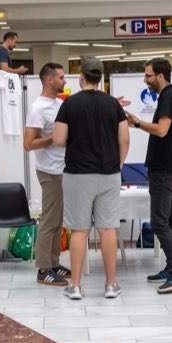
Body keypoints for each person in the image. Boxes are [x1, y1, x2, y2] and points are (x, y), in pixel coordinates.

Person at [53, 57, 129, 300]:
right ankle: (110, 284)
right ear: (101, 78)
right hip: (108, 174)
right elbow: (125, 139)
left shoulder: (69, 104)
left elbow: (58, 139)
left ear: (81, 77)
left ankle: (75, 286)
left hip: (77, 174)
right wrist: (119, 163)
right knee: (108, 229)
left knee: (79, 230)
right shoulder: (113, 105)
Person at [126, 58, 172, 293]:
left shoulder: (169, 97)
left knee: (158, 221)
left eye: (148, 76)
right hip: (164, 167)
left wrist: (137, 122)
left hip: (165, 169)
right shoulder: (169, 97)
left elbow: (162, 130)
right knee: (166, 220)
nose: (146, 80)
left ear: (160, 76)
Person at [24, 63, 71, 287]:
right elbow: (28, 143)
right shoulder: (38, 108)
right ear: (49, 80)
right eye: (61, 77)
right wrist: (54, 138)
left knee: (58, 221)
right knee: (49, 221)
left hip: (63, 169)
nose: (65, 81)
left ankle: (54, 263)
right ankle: (43, 269)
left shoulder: (60, 103)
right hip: (49, 171)